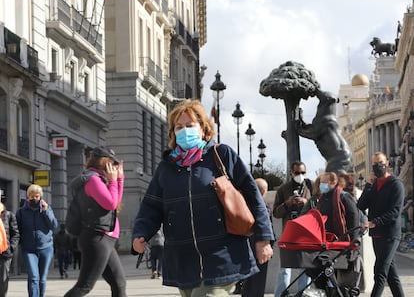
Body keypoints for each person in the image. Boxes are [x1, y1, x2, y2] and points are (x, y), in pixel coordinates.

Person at [132, 99, 274, 296]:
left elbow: (252, 196)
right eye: (179, 127)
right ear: (173, 133)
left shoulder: (221, 155)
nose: (184, 131)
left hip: (222, 255)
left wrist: (263, 238)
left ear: (203, 128)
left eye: (190, 125)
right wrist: (141, 233)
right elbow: (151, 206)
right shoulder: (167, 167)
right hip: (183, 259)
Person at [64, 147, 126, 297]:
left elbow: (116, 203)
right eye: (113, 163)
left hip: (104, 238)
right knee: (84, 286)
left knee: (119, 283)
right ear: (105, 163)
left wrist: (119, 179)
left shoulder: (101, 180)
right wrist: (113, 181)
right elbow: (110, 204)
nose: (115, 167)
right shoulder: (93, 180)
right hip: (96, 238)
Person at [357, 152, 405, 297]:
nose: (377, 166)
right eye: (374, 164)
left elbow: (395, 211)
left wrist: (375, 222)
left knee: (380, 273)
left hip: (390, 234)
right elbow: (361, 205)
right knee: (391, 274)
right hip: (376, 234)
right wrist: (368, 185)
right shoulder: (374, 185)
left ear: (387, 163)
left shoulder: (396, 184)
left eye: (380, 163)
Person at [273, 162, 312, 297]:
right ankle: (280, 294)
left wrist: (307, 203)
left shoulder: (311, 187)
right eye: (297, 173)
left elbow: (319, 208)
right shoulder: (283, 189)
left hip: (306, 234)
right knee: (285, 268)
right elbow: (276, 213)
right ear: (291, 173)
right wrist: (288, 203)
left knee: (305, 268)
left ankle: (302, 293)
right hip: (288, 234)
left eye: (303, 173)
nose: (300, 176)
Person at [16, 184, 59, 297]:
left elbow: (54, 226)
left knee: (42, 279)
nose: (34, 199)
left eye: (37, 196)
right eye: (31, 196)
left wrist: (45, 211)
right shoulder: (21, 212)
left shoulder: (46, 208)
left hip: (46, 248)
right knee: (34, 277)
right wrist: (20, 244)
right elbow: (17, 230)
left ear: (40, 196)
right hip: (29, 249)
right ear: (28, 197)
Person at [242, 178, 274, 297]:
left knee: (248, 281)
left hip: (246, 246)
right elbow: (267, 228)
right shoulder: (261, 207)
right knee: (258, 282)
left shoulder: (244, 204)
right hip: (260, 247)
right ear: (264, 192)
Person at [0, 201, 20, 297]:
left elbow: (15, 234)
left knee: (3, 279)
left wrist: (11, 248)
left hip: (5, 252)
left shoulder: (9, 215)